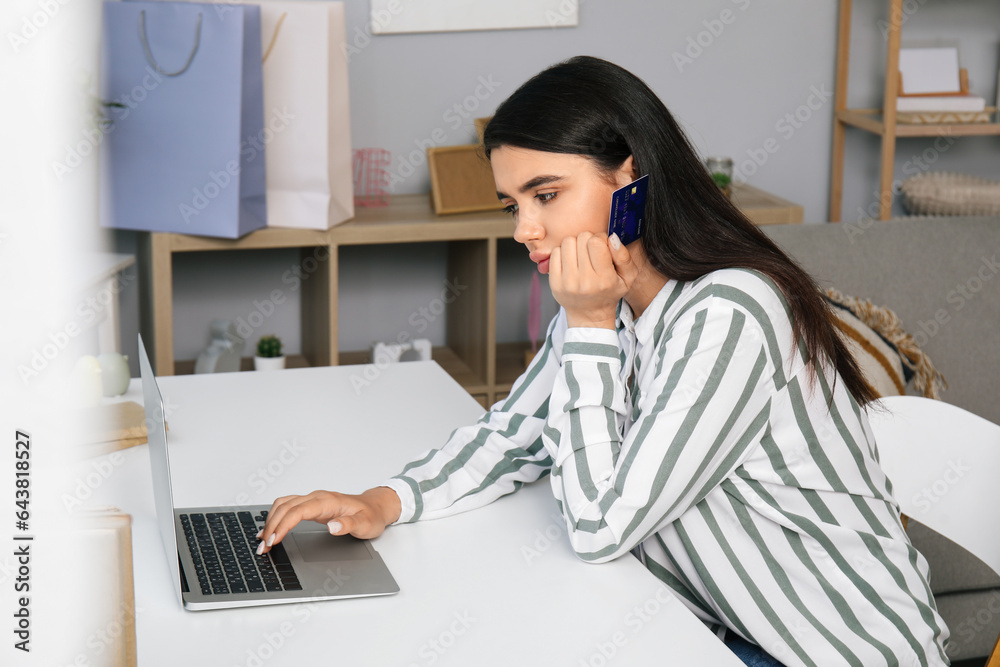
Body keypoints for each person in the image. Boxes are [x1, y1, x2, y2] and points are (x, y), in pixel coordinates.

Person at [257, 56, 949, 666]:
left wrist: (589, 325)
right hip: (715, 627)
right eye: (513, 204)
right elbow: (511, 437)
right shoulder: (601, 304)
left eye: (547, 195)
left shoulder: (730, 313)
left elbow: (599, 527)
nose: (525, 229)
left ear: (630, 178)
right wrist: (382, 501)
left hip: (837, 650)